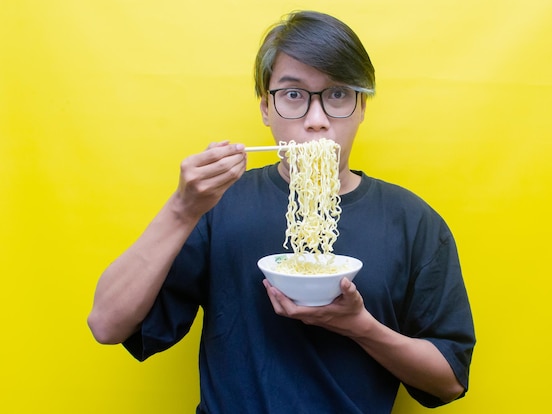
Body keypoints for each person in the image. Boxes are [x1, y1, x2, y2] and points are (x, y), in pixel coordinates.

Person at [88, 10, 475, 413]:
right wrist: (181, 209)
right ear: (265, 109)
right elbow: (106, 324)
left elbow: (448, 381)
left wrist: (361, 327)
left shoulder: (413, 222)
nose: (316, 120)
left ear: (362, 107)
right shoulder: (218, 204)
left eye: (338, 94)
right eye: (293, 95)